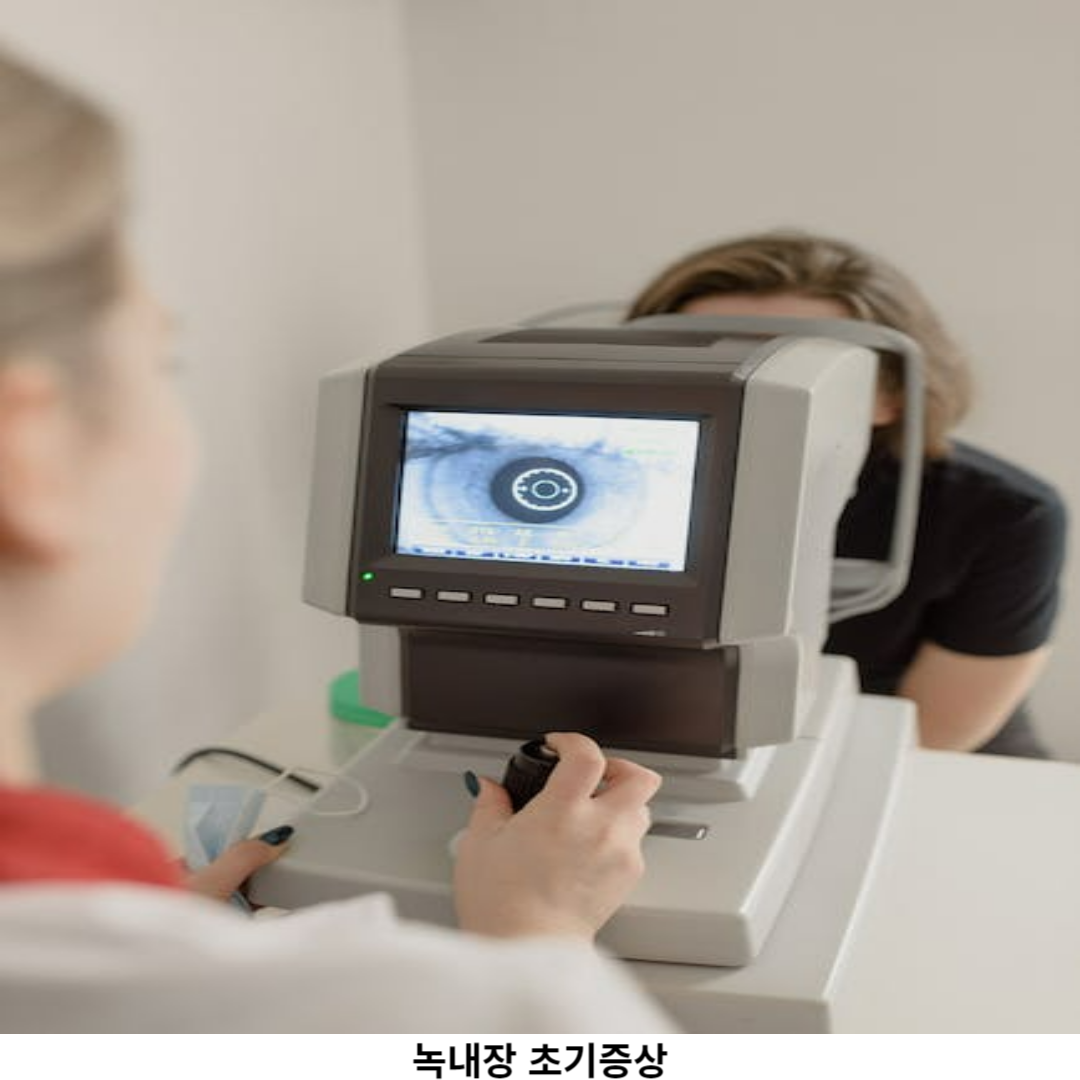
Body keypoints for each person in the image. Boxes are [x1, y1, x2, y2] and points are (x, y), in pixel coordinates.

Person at [0, 48, 672, 1033]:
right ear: (30, 452)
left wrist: (155, 947)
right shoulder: (441, 1014)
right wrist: (538, 952)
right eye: (161, 362)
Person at [628, 230, 1067, 758]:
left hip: (920, 761)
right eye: (711, 358)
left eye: (799, 369)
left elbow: (935, 732)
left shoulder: (1004, 514)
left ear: (892, 394)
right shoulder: (620, 486)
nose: (748, 389)